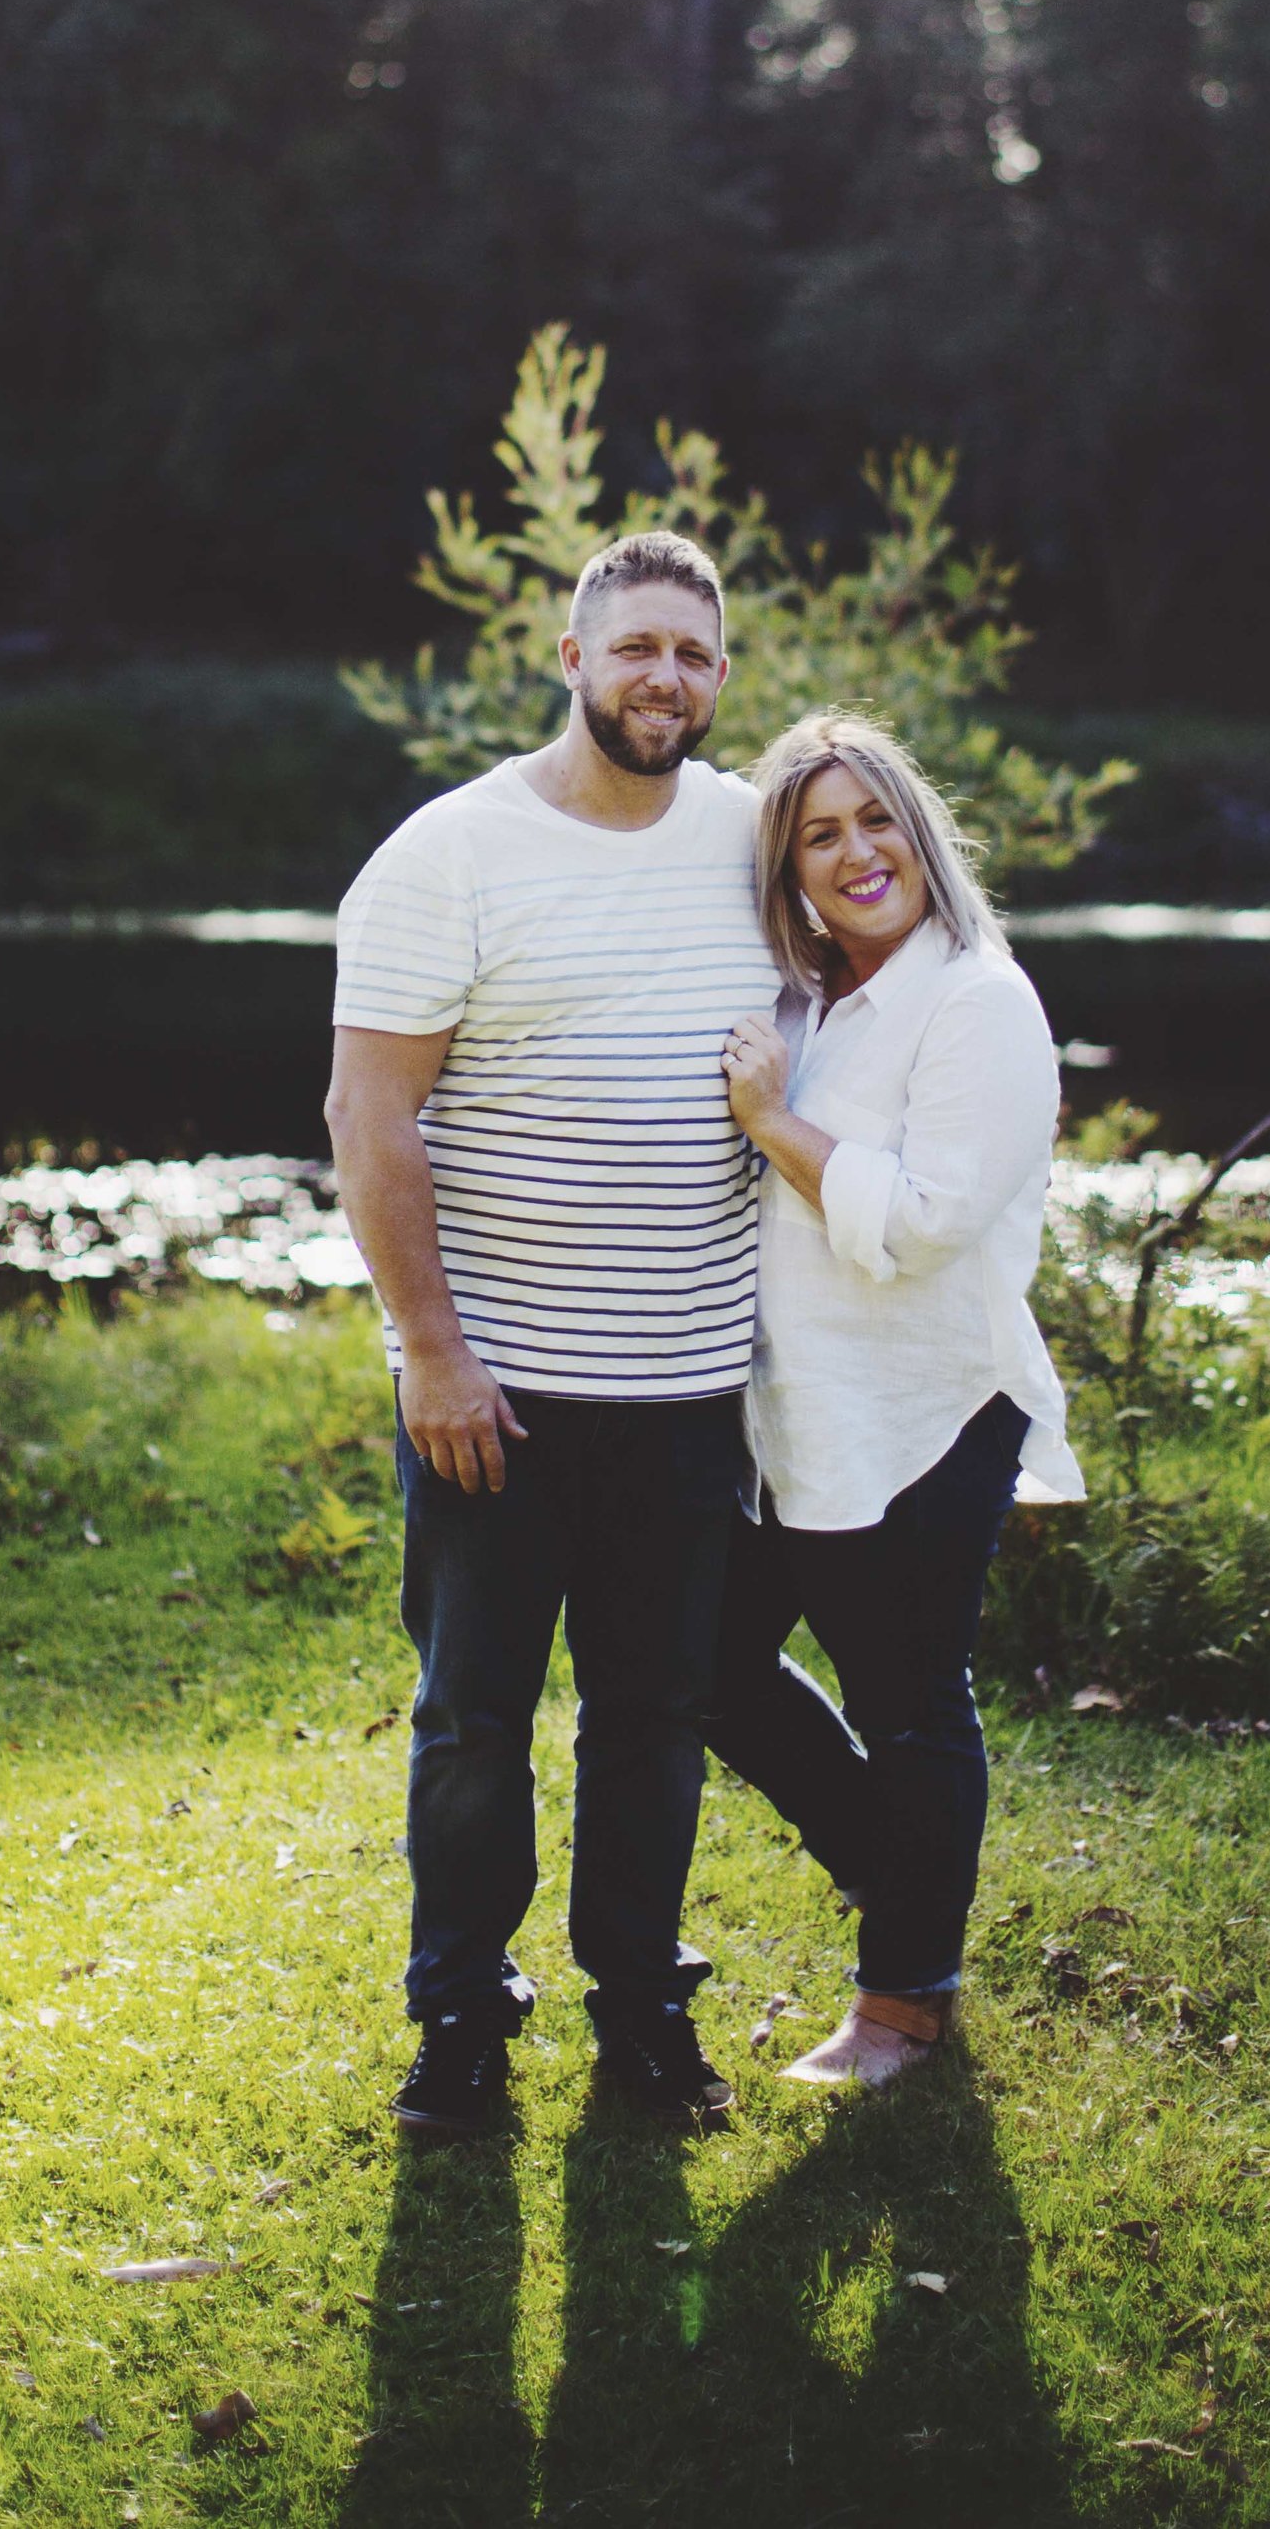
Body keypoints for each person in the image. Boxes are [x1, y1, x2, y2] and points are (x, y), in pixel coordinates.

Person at [325, 531, 779, 2144]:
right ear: (572, 659)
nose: (666, 676)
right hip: (495, 1394)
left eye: (696, 654)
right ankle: (458, 2025)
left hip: (687, 1390)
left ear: (723, 681)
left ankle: (643, 2014)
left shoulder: (755, 842)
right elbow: (370, 1117)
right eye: (637, 645)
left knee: (655, 1720)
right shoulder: (451, 853)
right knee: (473, 1726)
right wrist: (433, 1351)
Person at [711, 711, 1082, 2090]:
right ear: (790, 871)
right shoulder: (807, 1004)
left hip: (930, 1412)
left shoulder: (977, 997)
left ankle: (902, 2002)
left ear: (919, 834)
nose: (856, 851)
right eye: (820, 834)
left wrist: (775, 1126)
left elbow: (923, 1219)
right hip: (798, 1415)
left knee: (913, 1702)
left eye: (876, 820)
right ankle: (907, 1872)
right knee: (710, 1667)